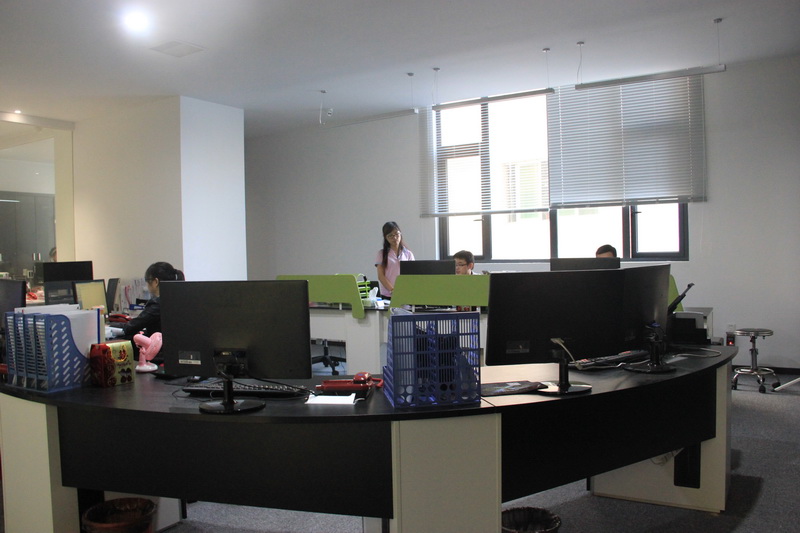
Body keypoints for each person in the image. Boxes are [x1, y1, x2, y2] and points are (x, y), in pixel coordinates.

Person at [121, 261, 184, 339]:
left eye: (147, 281)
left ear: (156, 282)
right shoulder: (180, 300)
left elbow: (132, 327)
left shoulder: (157, 303)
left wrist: (113, 327)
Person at [374, 221, 414, 299]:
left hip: (405, 293)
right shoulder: (381, 254)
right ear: (386, 238)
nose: (395, 238)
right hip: (387, 294)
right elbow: (381, 276)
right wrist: (393, 290)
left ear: (400, 234)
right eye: (390, 236)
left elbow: (412, 275)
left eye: (396, 234)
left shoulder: (408, 253)